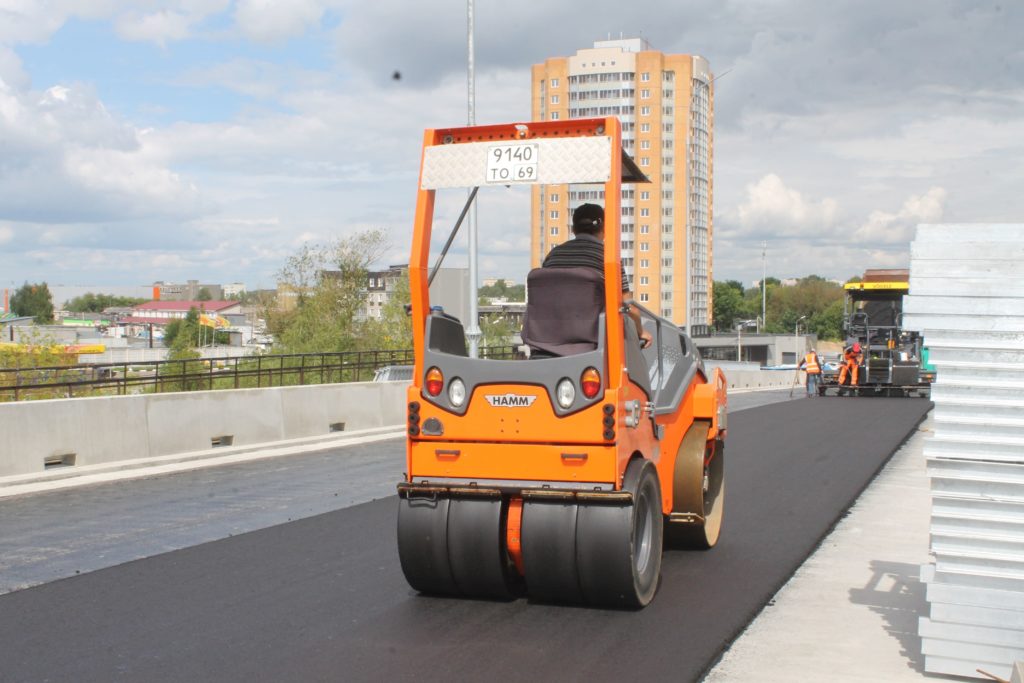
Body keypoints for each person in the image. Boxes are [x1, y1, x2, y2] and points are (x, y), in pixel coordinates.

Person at [542, 203, 653, 349]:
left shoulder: (553, 255)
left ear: (574, 229)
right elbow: (627, 307)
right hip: (592, 341)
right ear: (604, 228)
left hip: (549, 336)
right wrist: (641, 331)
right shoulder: (609, 259)